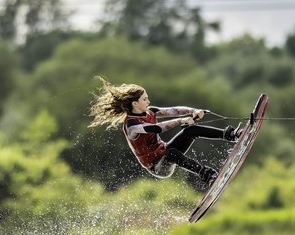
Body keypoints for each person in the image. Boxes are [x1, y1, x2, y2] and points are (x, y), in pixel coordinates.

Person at [88, 76, 242, 187]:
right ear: (135, 103)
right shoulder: (131, 125)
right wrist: (182, 121)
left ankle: (231, 135)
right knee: (172, 153)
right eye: (145, 100)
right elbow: (157, 128)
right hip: (158, 166)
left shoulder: (151, 111)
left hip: (164, 150)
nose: (148, 102)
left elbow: (173, 111)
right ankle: (208, 175)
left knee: (191, 130)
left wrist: (193, 110)